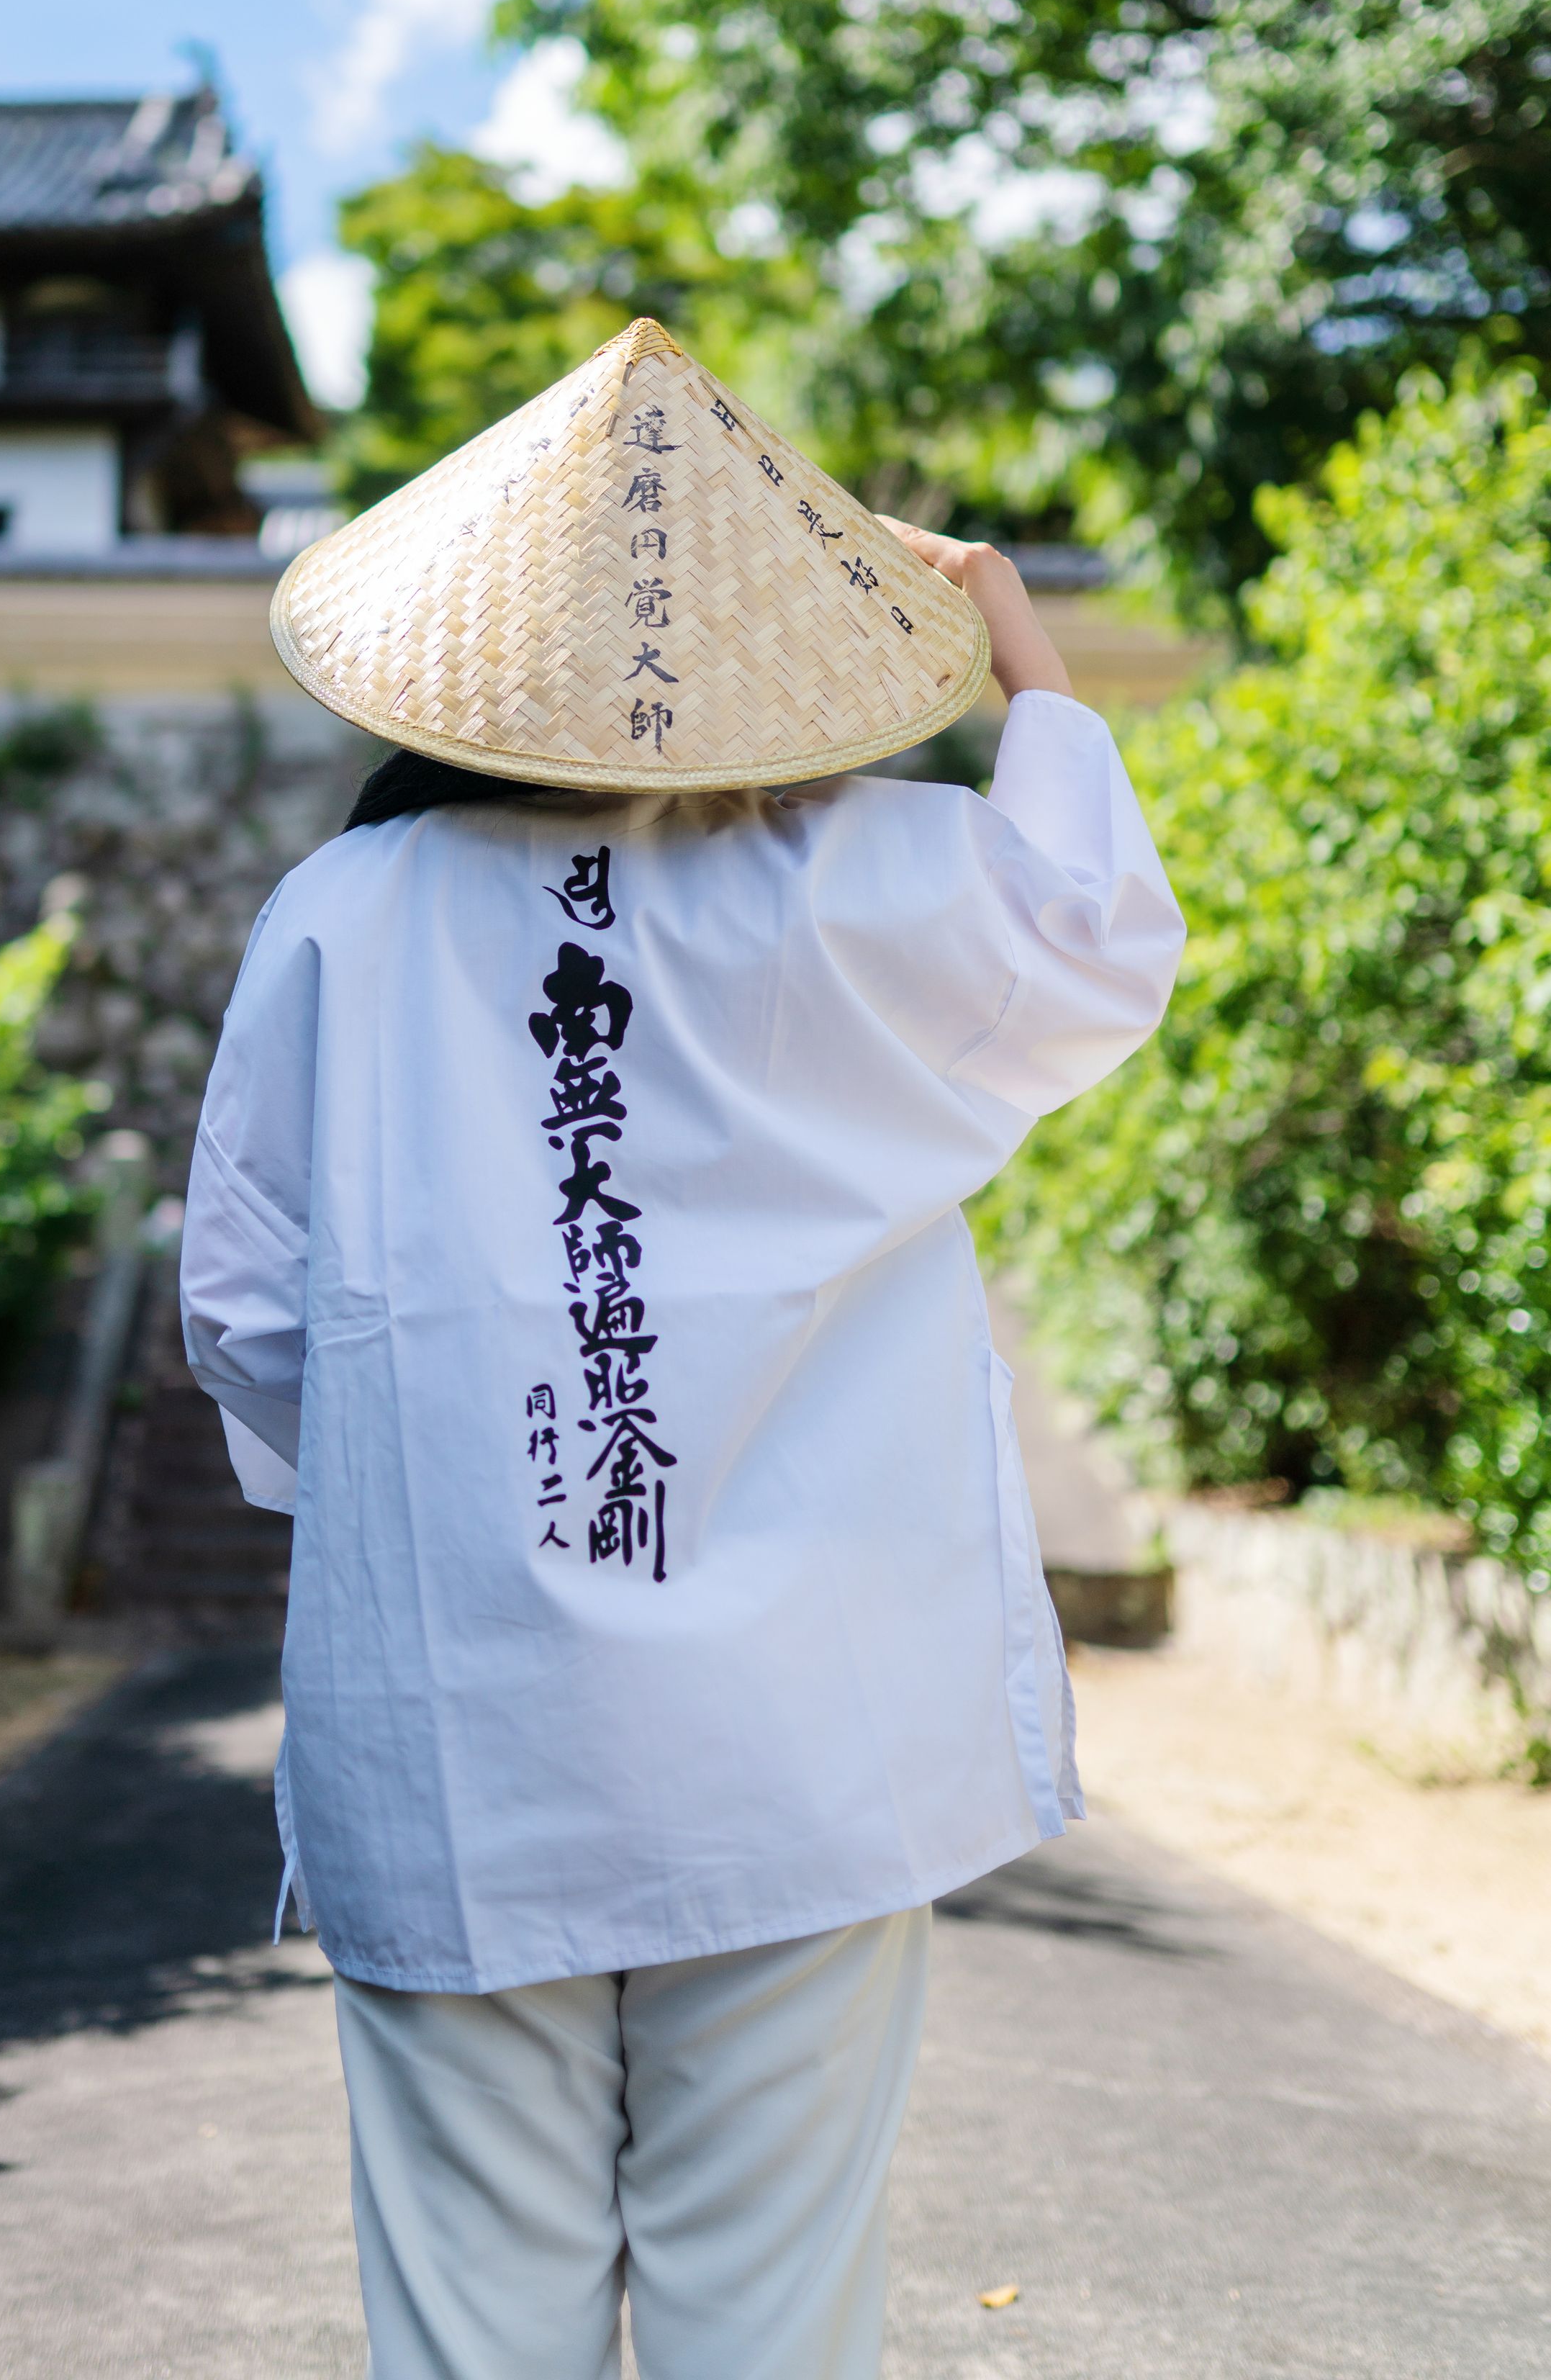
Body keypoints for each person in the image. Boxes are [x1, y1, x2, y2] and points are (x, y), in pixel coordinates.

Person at [181, 318, 1183, 2380]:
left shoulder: (342, 912)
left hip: (451, 1726)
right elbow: (1096, 939)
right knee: (773, 2308)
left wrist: (417, 1485)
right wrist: (1012, 642)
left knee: (471, 2323)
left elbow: (251, 1317)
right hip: (803, 1749)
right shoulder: (872, 882)